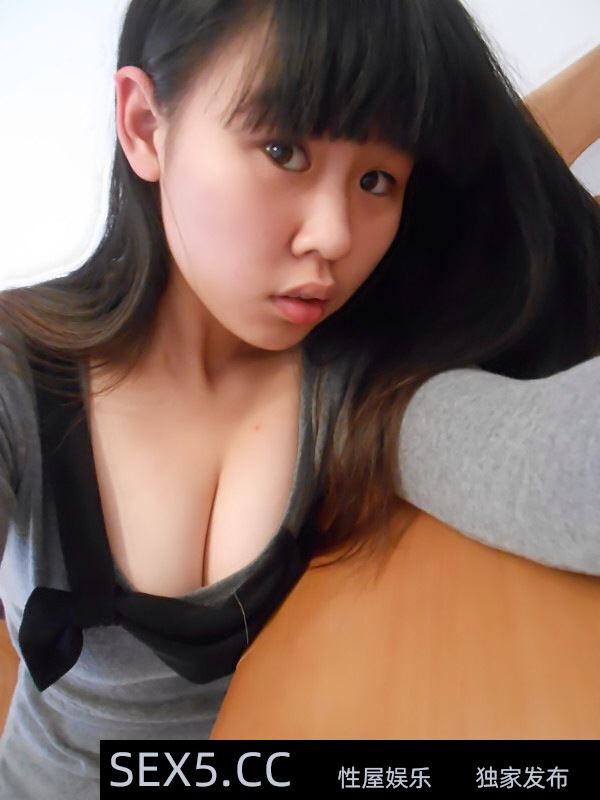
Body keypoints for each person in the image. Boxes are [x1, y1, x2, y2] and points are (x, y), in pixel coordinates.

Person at [0, 1, 598, 796]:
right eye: (283, 151)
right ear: (145, 126)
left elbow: (564, 470)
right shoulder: (20, 368)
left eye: (377, 180)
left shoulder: (367, 388)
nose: (335, 236)